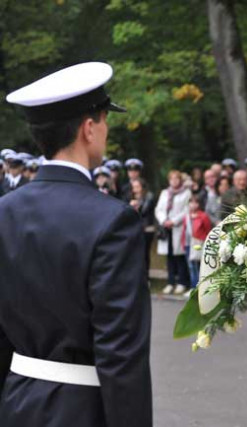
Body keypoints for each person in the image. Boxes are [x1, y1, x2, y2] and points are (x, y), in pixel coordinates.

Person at [0, 62, 152, 426]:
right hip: (84, 408)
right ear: (88, 128)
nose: (106, 129)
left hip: (17, 401)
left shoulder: (5, 211)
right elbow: (120, 354)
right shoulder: (113, 220)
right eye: (103, 119)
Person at [155, 170, 191, 295]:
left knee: (179, 256)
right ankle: (170, 282)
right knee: (169, 256)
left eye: (176, 179)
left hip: (178, 228)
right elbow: (159, 209)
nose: (174, 181)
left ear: (180, 180)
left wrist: (174, 221)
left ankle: (182, 282)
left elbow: (186, 210)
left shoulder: (186, 193)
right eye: (172, 179)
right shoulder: (165, 193)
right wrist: (164, 220)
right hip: (166, 228)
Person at [129, 177, 156, 282]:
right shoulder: (132, 197)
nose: (135, 189)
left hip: (146, 229)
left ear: (142, 187)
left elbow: (144, 211)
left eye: (137, 187)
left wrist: (137, 206)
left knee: (144, 254)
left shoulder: (149, 196)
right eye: (133, 187)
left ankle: (146, 278)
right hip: (135, 229)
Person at [184, 194, 212, 289]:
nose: (193, 205)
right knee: (191, 267)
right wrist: (183, 243)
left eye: (196, 202)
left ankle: (201, 288)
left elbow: (208, 230)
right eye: (191, 202)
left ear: (199, 204)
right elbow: (184, 231)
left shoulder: (203, 216)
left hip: (199, 244)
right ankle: (193, 287)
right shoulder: (187, 217)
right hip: (188, 244)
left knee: (199, 267)